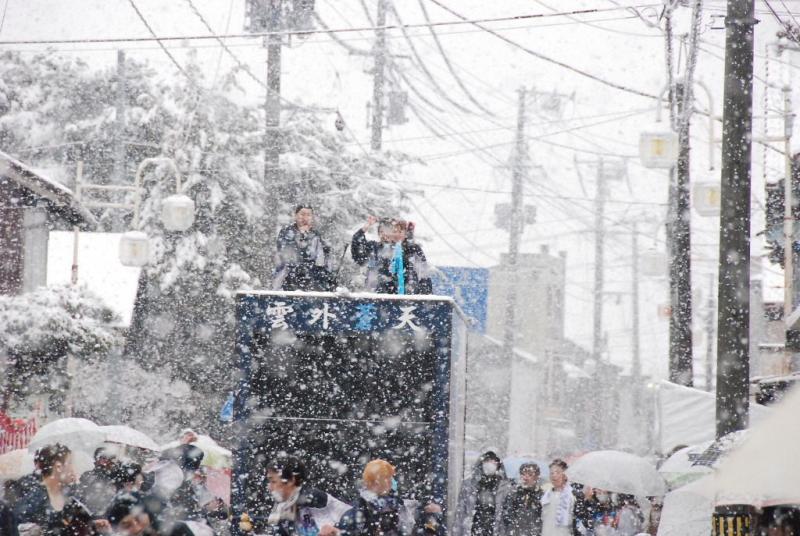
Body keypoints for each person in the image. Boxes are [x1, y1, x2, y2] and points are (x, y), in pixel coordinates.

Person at [324, 459, 445, 536]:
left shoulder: (398, 503)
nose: (392, 482)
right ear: (376, 482)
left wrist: (428, 511)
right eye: (388, 478)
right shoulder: (358, 513)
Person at [15, 443, 110, 535]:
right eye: (70, 464)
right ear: (58, 467)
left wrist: (93, 526)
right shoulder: (33, 501)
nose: (73, 469)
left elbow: (77, 524)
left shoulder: (73, 496)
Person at [262, 455, 350, 535]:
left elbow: (355, 520)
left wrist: (338, 530)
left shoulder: (312, 497)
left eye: (273, 481)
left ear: (291, 481)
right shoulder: (281, 510)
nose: (269, 487)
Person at [351, 217, 432, 295]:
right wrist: (365, 228)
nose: (385, 234)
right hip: (376, 296)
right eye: (381, 231)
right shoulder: (375, 248)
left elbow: (423, 272)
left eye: (399, 231)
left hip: (407, 297)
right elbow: (359, 252)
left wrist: (425, 295)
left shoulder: (411, 249)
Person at [273, 205, 335, 291]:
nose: (305, 218)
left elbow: (320, 256)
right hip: (289, 275)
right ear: (296, 216)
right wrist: (302, 237)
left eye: (308, 215)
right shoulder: (287, 232)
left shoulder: (315, 234)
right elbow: (286, 253)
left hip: (311, 277)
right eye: (302, 214)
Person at [455, 450, 510, 536]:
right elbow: (460, 513)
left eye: (494, 462)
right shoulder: (469, 485)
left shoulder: (504, 488)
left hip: (494, 531)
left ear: (498, 465)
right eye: (487, 461)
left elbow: (507, 518)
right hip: (472, 530)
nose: (490, 464)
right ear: (482, 463)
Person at [497, 462, 543, 536]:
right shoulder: (513, 494)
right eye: (523, 474)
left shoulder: (542, 496)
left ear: (536, 477)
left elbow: (543, 520)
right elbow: (506, 517)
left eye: (530, 475)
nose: (525, 477)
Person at [76, 447, 120, 515]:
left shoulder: (114, 477)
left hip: (105, 513)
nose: (106, 461)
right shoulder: (88, 475)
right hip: (87, 511)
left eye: (109, 458)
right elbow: (80, 494)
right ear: (97, 458)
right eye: (103, 458)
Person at [540, 459, 574, 536]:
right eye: (551, 473)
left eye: (557, 472)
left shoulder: (572, 495)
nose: (554, 475)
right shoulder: (546, 495)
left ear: (565, 475)